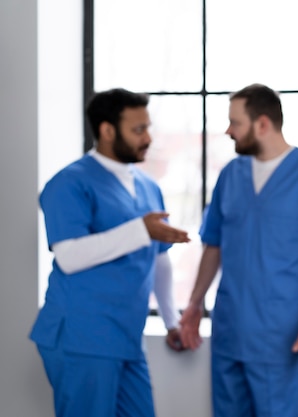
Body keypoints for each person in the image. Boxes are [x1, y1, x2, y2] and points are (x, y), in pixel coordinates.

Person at [179, 83, 298, 417]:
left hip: (281, 336)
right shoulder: (230, 176)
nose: (228, 130)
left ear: (262, 124)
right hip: (229, 330)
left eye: (235, 122)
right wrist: (193, 304)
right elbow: (213, 246)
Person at [30, 88, 191, 417]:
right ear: (106, 131)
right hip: (82, 336)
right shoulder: (68, 184)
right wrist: (140, 230)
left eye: (148, 128)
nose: (147, 137)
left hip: (126, 337)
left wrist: (171, 319)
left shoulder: (149, 187)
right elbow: (69, 257)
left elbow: (158, 260)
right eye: (138, 130)